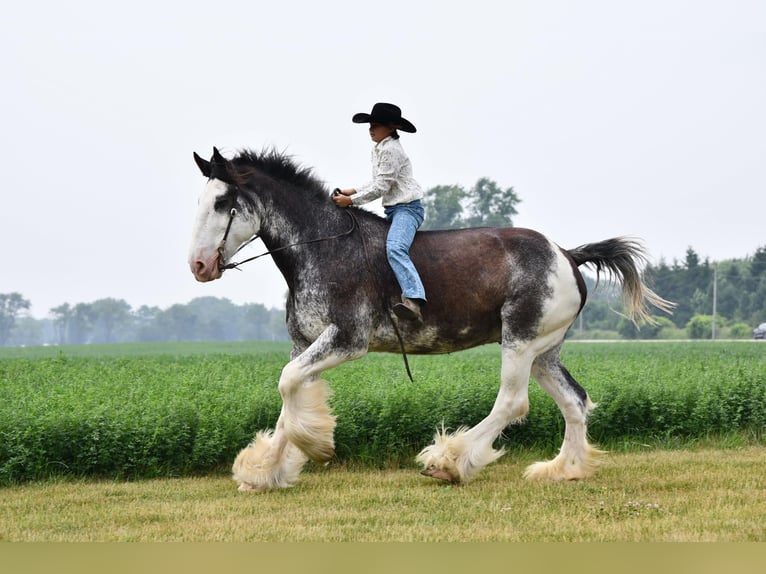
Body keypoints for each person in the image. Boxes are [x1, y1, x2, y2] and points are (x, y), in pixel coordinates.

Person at [332, 102, 426, 324]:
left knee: (395, 247)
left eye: (376, 125)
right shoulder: (380, 147)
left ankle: (414, 299)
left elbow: (381, 188)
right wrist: (353, 190)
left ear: (391, 128)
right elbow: (377, 181)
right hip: (393, 209)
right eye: (370, 124)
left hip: (407, 209)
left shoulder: (392, 150)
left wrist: (350, 201)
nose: (370, 129)